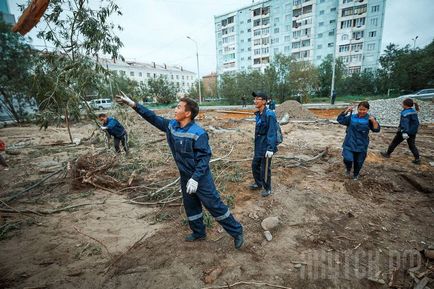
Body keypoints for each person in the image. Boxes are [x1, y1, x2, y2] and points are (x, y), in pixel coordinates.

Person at [115, 94, 244, 249]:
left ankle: (237, 232)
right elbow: (152, 117)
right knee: (191, 205)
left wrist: (195, 178)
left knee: (214, 206)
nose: (174, 109)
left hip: (201, 178)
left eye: (178, 107)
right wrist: (133, 104)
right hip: (185, 176)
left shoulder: (198, 133)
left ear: (187, 113)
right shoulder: (172, 126)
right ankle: (198, 232)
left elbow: (204, 158)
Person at [337, 101, 380, 180]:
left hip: (362, 144)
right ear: (358, 109)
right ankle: (348, 169)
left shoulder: (370, 119)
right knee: (347, 159)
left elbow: (376, 129)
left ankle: (355, 175)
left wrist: (374, 121)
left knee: (359, 162)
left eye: (364, 110)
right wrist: (346, 111)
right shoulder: (352, 117)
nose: (362, 111)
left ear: (367, 110)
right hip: (349, 142)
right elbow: (340, 120)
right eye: (360, 109)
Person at [249, 91, 278, 197]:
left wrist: (270, 148)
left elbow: (272, 132)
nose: (255, 101)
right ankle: (259, 183)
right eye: (255, 99)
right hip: (259, 145)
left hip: (266, 146)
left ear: (264, 101)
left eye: (258, 99)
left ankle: (267, 188)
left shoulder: (270, 114)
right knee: (255, 165)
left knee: (265, 168)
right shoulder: (259, 113)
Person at [381, 98, 421, 164]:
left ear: (405, 105)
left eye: (402, 104)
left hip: (404, 132)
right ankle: (417, 159)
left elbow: (405, 123)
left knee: (394, 143)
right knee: (412, 145)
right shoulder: (413, 111)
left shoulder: (405, 113)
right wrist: (413, 131)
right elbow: (416, 123)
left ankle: (387, 154)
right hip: (412, 132)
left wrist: (404, 132)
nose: (402, 105)